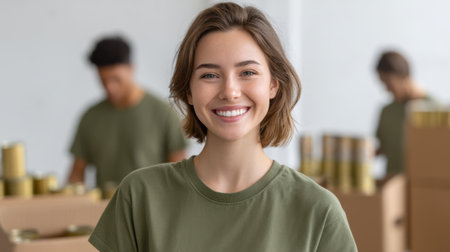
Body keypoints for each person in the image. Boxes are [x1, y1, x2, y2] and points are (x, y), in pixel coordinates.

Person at [89, 3, 357, 251]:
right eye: (209, 75)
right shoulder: (139, 196)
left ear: (273, 85)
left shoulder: (318, 211)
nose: (230, 91)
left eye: (248, 72)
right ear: (189, 91)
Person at [68, 36, 187, 189]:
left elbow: (178, 174)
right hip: (106, 210)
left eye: (116, 79)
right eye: (103, 81)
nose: (110, 87)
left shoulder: (164, 113)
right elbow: (76, 174)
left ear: (131, 69)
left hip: (151, 209)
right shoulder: (91, 117)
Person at [375, 50, 430, 176]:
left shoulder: (433, 111)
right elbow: (384, 148)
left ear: (403, 77)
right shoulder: (387, 111)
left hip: (422, 185)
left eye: (389, 83)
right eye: (383, 84)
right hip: (393, 185)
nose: (386, 89)